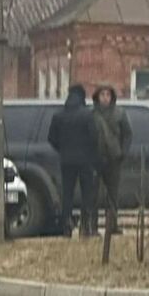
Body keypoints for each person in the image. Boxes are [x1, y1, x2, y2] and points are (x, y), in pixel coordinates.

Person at [48, 84, 98, 238]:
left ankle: (66, 226)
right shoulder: (87, 115)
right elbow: (94, 137)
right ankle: (85, 226)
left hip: (66, 160)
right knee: (87, 193)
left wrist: (62, 149)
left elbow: (51, 138)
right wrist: (90, 153)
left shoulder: (58, 115)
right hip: (85, 160)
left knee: (67, 194)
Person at [90, 84, 132, 235]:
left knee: (113, 195)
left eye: (108, 95)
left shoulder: (120, 113)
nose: (105, 98)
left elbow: (127, 134)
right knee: (93, 195)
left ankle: (112, 225)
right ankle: (93, 227)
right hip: (95, 159)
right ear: (97, 97)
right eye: (102, 95)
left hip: (114, 159)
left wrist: (123, 152)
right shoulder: (91, 114)